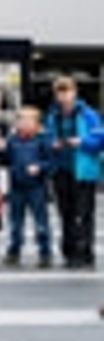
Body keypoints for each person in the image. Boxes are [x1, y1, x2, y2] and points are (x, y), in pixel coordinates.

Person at [45, 76, 103, 269]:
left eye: (67, 92)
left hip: (83, 169)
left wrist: (82, 142)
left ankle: (85, 251)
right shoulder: (53, 116)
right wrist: (53, 144)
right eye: (60, 93)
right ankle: (70, 252)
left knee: (84, 213)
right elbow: (47, 138)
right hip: (61, 168)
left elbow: (99, 139)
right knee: (66, 212)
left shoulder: (89, 114)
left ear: (75, 92)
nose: (64, 97)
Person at [0, 106, 53, 268]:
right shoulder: (13, 140)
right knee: (15, 223)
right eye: (22, 120)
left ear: (37, 124)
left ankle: (45, 252)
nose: (25, 123)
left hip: (36, 187)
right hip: (16, 186)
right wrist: (1, 151)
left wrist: (40, 167)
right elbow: (6, 161)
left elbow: (50, 161)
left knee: (41, 223)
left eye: (29, 120)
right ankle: (14, 250)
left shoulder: (42, 139)